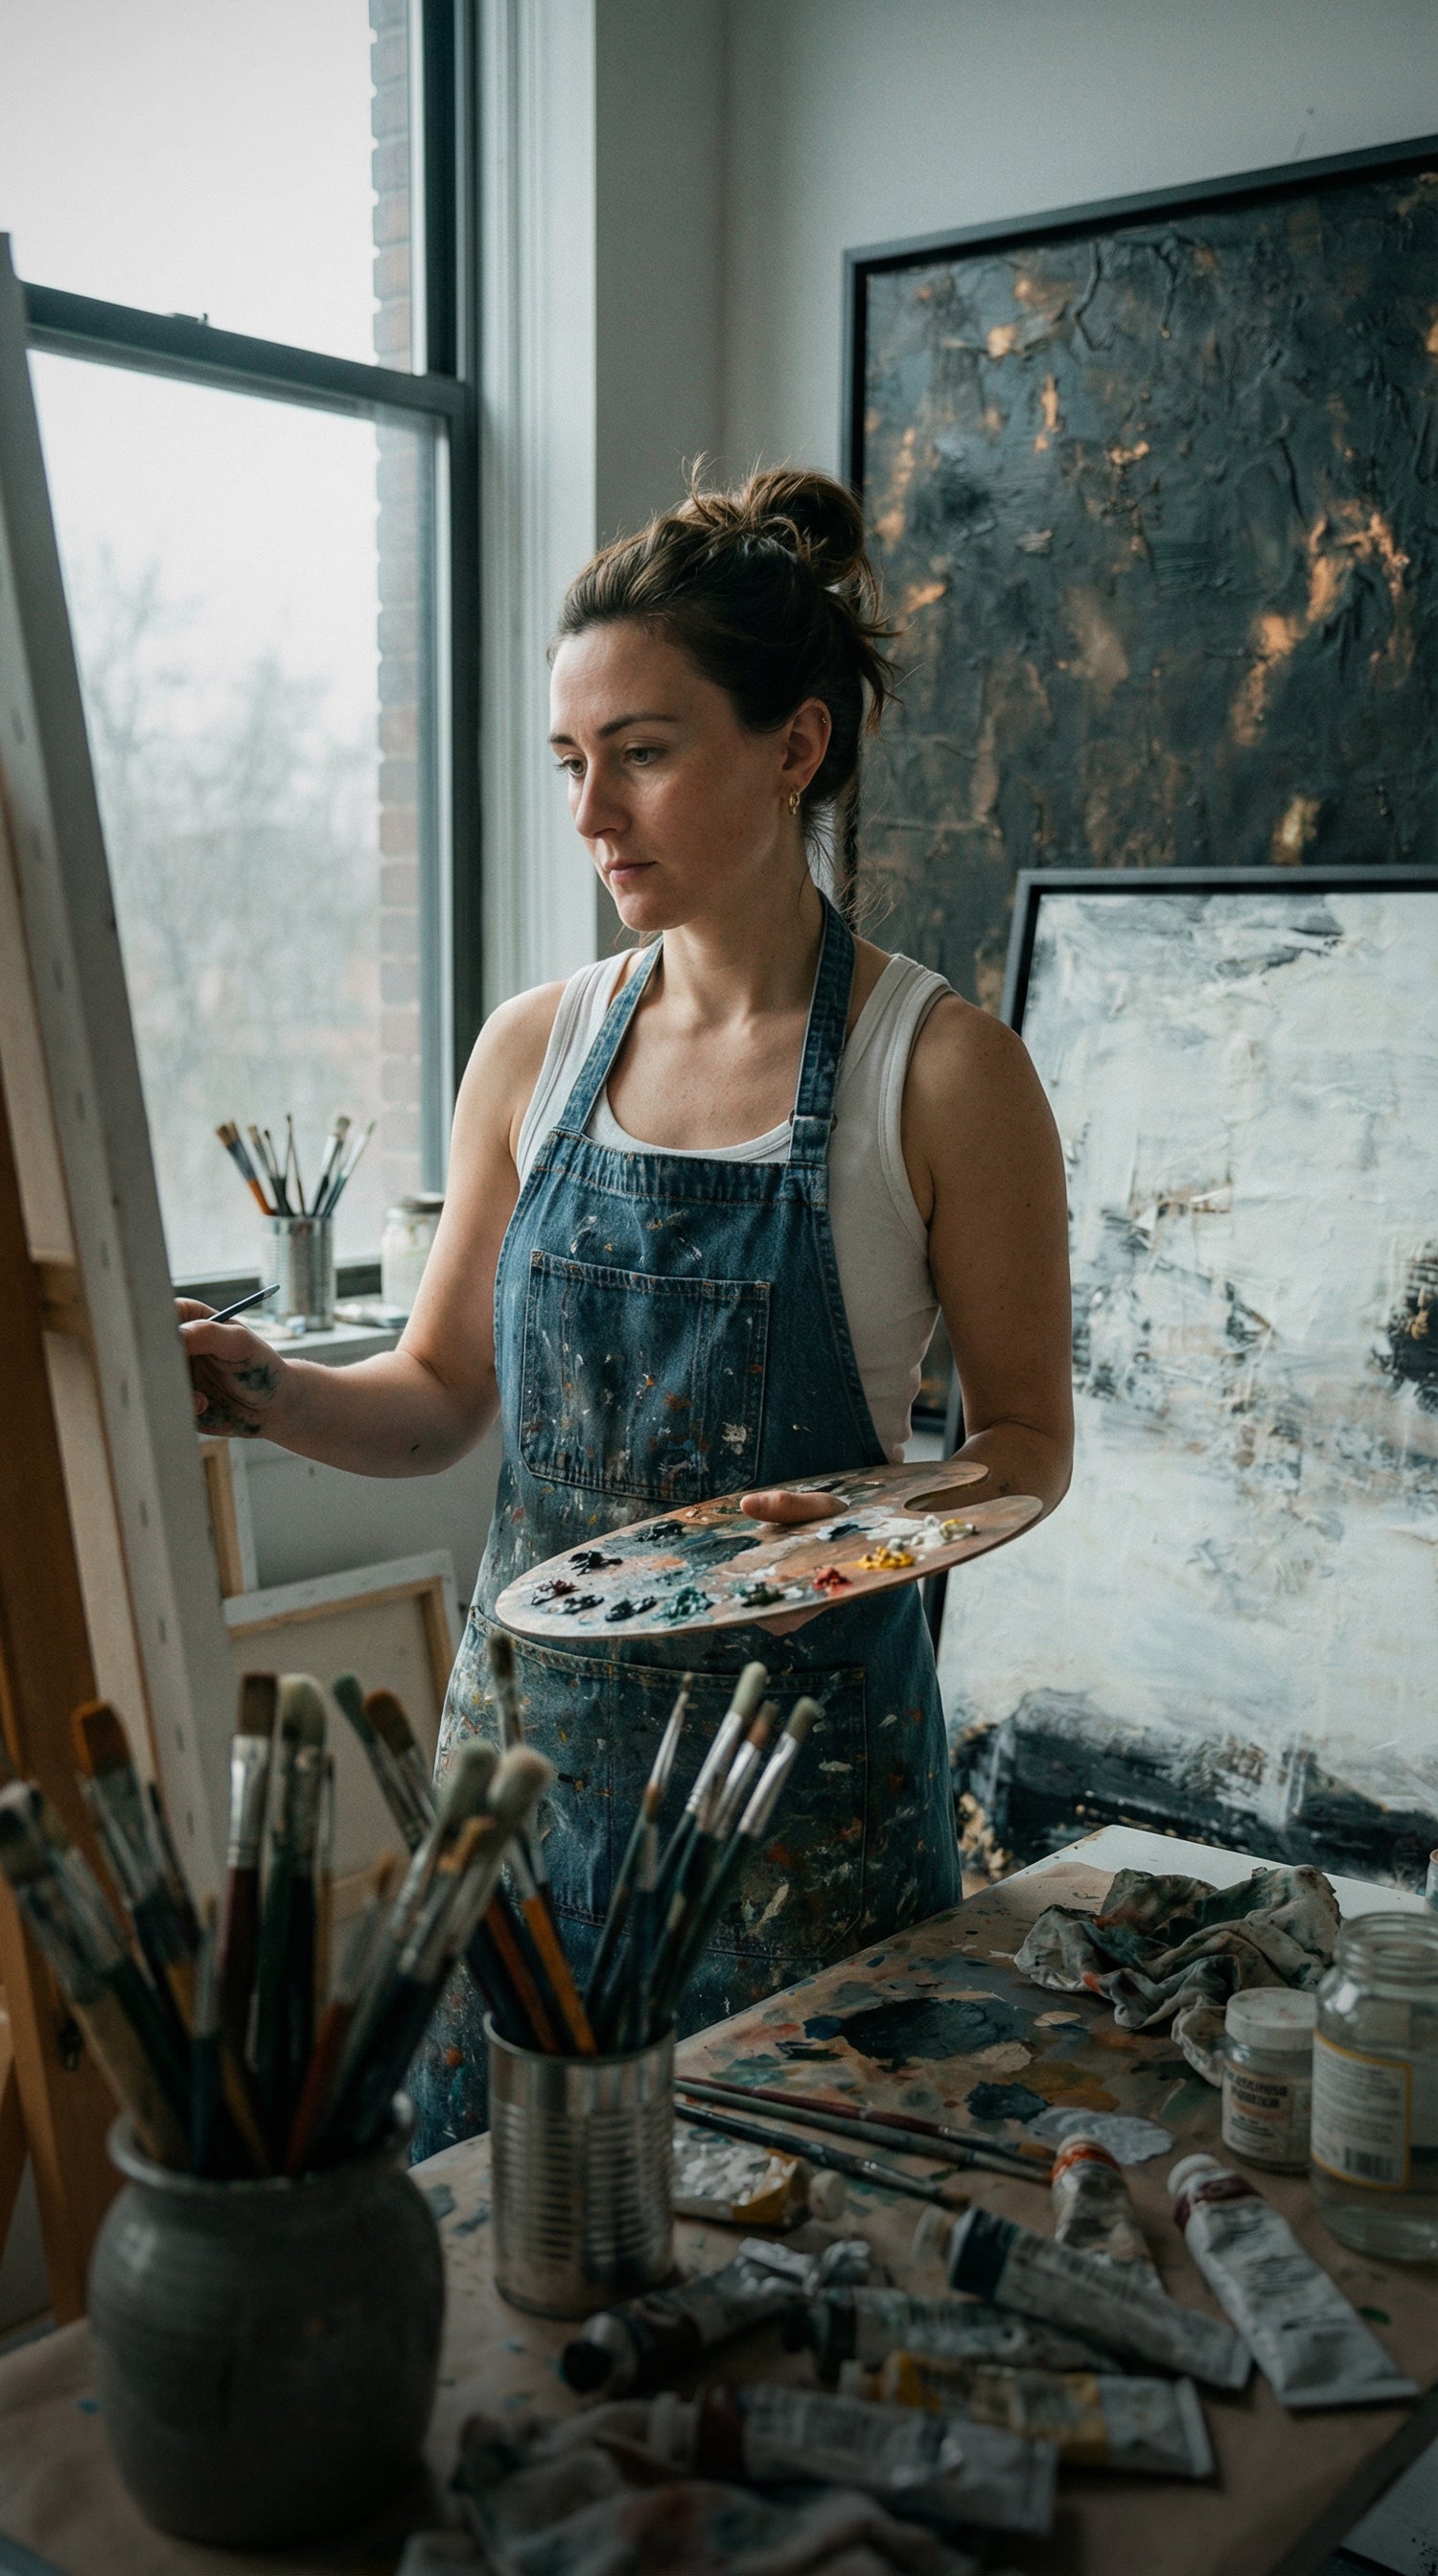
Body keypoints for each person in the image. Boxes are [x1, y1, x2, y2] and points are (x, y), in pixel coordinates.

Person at [181, 466, 1073, 2156]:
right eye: (572, 763)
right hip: (524, 1789)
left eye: (644, 754)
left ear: (797, 747)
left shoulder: (942, 1072)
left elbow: (1028, 1443)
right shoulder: (536, 1048)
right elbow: (442, 1392)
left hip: (795, 1802)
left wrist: (851, 1529)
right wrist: (265, 1389)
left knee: (787, 2267)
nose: (593, 816)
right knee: (494, 2248)